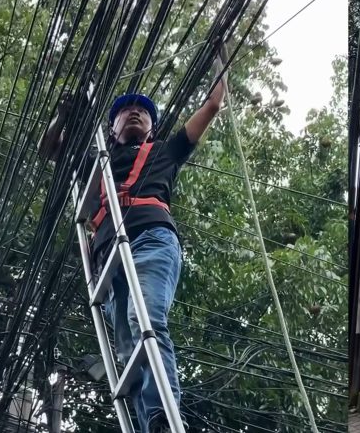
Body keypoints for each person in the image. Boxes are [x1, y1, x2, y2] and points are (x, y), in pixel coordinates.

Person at [39, 74, 226, 432]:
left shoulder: (165, 153)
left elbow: (213, 105)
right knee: (128, 354)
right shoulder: (96, 162)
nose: (136, 113)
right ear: (112, 127)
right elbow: (50, 148)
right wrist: (65, 115)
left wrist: (222, 60)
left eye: (143, 111)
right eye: (126, 111)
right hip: (108, 261)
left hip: (152, 239)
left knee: (147, 322)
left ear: (153, 127)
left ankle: (162, 416)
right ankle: (147, 424)